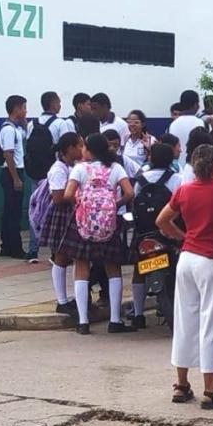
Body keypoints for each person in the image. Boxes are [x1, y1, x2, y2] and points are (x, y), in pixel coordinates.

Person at [156, 144, 213, 409]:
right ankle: (211, 389)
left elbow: (162, 221)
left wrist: (184, 238)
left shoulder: (184, 190)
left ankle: (181, 384)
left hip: (188, 258)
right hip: (212, 260)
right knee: (212, 321)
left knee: (185, 319)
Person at [57, 133, 133, 334]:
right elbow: (129, 193)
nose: (82, 150)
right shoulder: (116, 168)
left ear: (89, 150)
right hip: (109, 225)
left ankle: (83, 322)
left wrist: (82, 205)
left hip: (83, 226)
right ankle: (115, 321)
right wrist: (113, 206)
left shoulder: (80, 169)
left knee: (82, 267)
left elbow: (67, 194)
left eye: (84, 147)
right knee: (113, 269)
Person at [128, 142, 184, 329]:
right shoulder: (176, 178)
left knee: (139, 271)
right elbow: (181, 205)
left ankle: (137, 314)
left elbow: (134, 204)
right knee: (177, 268)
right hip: (168, 231)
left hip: (144, 232)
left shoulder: (140, 179)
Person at [42, 133, 84, 317]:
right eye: (79, 145)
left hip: (72, 213)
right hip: (62, 214)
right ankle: (61, 300)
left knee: (74, 257)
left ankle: (77, 298)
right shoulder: (59, 169)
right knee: (60, 257)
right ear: (70, 148)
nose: (82, 149)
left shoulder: (72, 166)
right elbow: (58, 197)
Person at [26, 91, 71, 264]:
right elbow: (66, 146)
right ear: (53, 104)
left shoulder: (32, 124)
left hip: (35, 172)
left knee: (35, 208)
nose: (60, 105)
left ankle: (33, 250)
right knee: (55, 211)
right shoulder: (61, 123)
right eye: (58, 102)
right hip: (54, 174)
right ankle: (56, 250)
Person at [0, 94, 30, 259]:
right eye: (24, 107)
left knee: (11, 210)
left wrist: (23, 122)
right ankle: (14, 248)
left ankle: (6, 246)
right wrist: (16, 178)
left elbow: (25, 136)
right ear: (16, 108)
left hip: (14, 172)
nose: (25, 111)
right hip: (12, 172)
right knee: (13, 212)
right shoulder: (8, 130)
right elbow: (8, 155)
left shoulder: (16, 128)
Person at [167, 90, 206, 165]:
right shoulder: (201, 123)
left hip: (177, 166)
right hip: (196, 167)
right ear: (195, 105)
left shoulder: (173, 124)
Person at [121, 110, 155, 178]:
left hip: (143, 177)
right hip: (126, 178)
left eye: (136, 122)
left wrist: (149, 149)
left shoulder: (151, 139)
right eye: (129, 122)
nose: (132, 125)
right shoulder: (125, 139)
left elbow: (155, 160)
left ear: (143, 124)